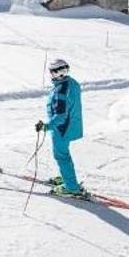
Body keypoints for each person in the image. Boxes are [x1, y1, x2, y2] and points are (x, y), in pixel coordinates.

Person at [35, 58, 85, 197]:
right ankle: (66, 178)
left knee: (61, 156)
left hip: (62, 128)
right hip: (70, 126)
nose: (51, 75)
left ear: (58, 73)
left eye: (52, 72)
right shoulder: (71, 83)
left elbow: (60, 116)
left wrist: (46, 126)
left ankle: (71, 187)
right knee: (63, 154)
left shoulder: (60, 91)